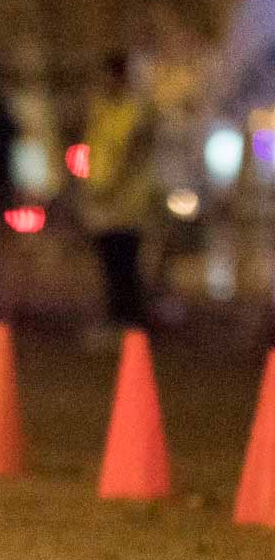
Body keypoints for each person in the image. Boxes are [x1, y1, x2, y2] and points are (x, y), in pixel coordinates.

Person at [79, 53, 158, 348]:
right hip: (100, 202)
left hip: (126, 204)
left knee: (125, 265)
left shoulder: (135, 111)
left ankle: (131, 325)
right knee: (110, 266)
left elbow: (128, 154)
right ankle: (117, 321)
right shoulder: (101, 109)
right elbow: (92, 150)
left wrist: (107, 186)